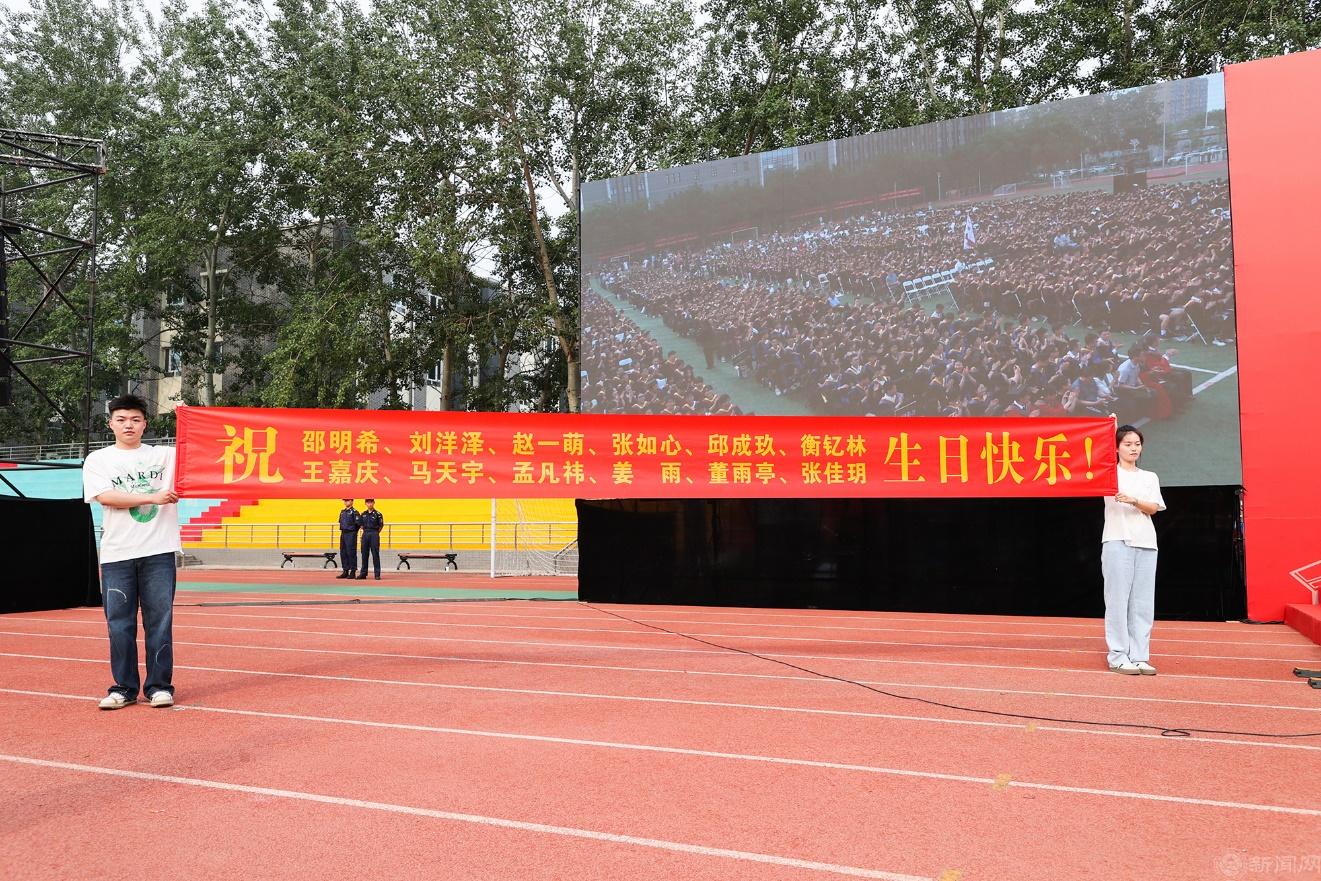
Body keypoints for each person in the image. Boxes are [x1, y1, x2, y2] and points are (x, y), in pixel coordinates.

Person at [82, 394, 181, 709]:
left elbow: (201, 452)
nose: (129, 425)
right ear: (110, 423)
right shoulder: (98, 459)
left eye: (136, 419)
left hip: (159, 552)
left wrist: (188, 416)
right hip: (117, 554)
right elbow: (106, 497)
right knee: (119, 624)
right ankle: (123, 688)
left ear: (145, 424)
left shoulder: (166, 456)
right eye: (122, 419)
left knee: (159, 622)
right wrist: (153, 497)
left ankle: (159, 687)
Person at [1102, 424, 1166, 675]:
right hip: (1117, 540)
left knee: (1142, 603)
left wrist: (1134, 500)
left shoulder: (1149, 477)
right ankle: (1118, 655)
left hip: (1146, 542)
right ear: (1116, 448)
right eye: (1127, 444)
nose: (1133, 448)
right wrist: (1110, 427)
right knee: (1117, 601)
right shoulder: (1108, 473)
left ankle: (1139, 656)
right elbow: (1098, 453)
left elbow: (1153, 508)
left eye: (1137, 444)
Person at [358, 498, 383, 580]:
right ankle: (363, 573)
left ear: (374, 503)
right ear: (365, 503)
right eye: (368, 502)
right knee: (364, 554)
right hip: (365, 533)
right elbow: (361, 525)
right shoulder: (363, 514)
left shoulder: (378, 514)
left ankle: (377, 574)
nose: (369, 504)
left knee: (375, 554)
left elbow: (381, 526)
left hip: (374, 534)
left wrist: (375, 533)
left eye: (371, 502)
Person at [336, 498, 360, 579]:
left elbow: (358, 524)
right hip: (343, 533)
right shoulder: (342, 512)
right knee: (343, 552)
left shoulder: (355, 512)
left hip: (351, 533)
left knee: (351, 552)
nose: (346, 502)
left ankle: (353, 571)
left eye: (347, 500)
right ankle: (345, 570)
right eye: (345, 501)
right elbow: (340, 522)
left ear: (352, 501)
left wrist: (353, 532)